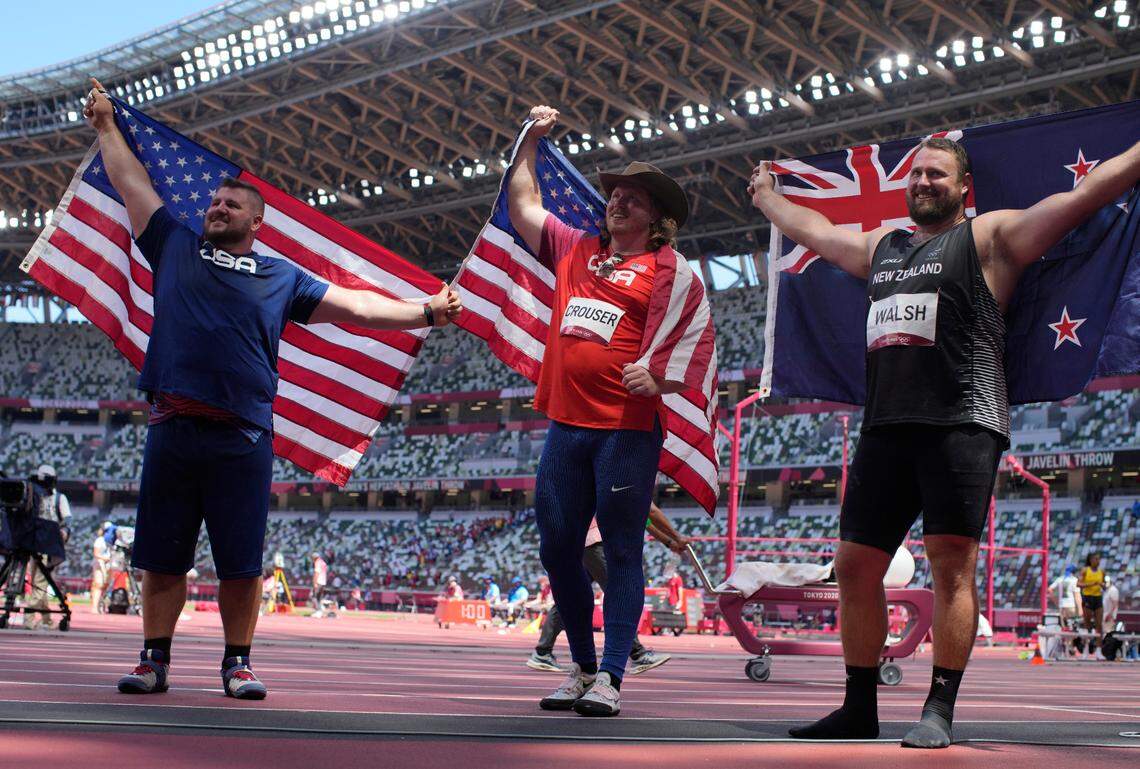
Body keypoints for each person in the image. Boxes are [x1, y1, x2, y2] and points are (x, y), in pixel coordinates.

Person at [749, 135, 1140, 748]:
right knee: (854, 567)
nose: (922, 182)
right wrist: (769, 198)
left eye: (937, 174)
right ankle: (859, 708)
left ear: (963, 188)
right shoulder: (884, 248)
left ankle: (938, 709)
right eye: (916, 175)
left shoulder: (990, 238)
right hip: (885, 427)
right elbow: (818, 231)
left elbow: (1085, 194)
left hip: (961, 423)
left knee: (950, 568)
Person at [82, 80, 462, 701]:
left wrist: (424, 311)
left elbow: (359, 307)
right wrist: (105, 127)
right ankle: (154, 658)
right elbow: (132, 185)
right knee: (162, 558)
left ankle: (238, 662)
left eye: (231, 205)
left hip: (243, 436)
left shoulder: (282, 275)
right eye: (215, 202)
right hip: (172, 427)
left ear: (257, 221)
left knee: (241, 563)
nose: (217, 208)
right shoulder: (175, 245)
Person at [509, 105, 713, 718]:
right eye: (615, 194)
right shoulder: (575, 250)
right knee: (556, 548)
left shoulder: (672, 276)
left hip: (626, 430)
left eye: (633, 199)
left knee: (622, 549)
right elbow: (522, 209)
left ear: (659, 222)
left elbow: (699, 343)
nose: (617, 203)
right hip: (566, 426)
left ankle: (613, 676)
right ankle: (581, 664)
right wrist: (527, 143)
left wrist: (661, 377)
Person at [528, 504, 689, 677]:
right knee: (619, 591)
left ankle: (543, 652)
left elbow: (645, 518)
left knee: (572, 595)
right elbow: (650, 510)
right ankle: (637, 654)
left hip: (580, 536)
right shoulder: (633, 477)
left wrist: (670, 542)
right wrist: (676, 537)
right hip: (592, 540)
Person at [25, 464, 71, 630]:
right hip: (35, 543)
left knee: (40, 582)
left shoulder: (58, 498)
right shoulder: (33, 496)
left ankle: (29, 618)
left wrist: (64, 532)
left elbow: (67, 521)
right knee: (40, 583)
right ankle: (46, 620)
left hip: (49, 546)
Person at [1078, 553, 1106, 656]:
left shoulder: (1102, 572)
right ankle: (1085, 649)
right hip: (1088, 597)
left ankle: (1099, 650)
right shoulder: (1085, 570)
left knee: (1099, 625)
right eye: (1096, 559)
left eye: (1099, 559)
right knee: (1087, 624)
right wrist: (1092, 584)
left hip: (1098, 598)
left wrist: (1103, 585)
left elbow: (1105, 585)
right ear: (1090, 560)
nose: (1098, 561)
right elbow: (1078, 584)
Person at [1048, 564, 1083, 632]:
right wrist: (1080, 609)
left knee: (1064, 628)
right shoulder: (1075, 580)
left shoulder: (1060, 579)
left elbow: (1049, 589)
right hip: (1071, 606)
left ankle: (1066, 642)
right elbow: (1077, 596)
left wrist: (1056, 601)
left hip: (1062, 607)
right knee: (1072, 628)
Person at [91, 521, 114, 614]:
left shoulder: (112, 541)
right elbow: (96, 554)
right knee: (98, 585)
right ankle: (94, 607)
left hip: (109, 565)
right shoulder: (100, 540)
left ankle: (102, 605)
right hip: (99, 565)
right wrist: (105, 558)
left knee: (105, 586)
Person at [310, 552, 329, 617]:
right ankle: (320, 610)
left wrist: (315, 583)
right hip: (323, 582)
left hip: (319, 582)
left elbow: (316, 573)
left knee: (313, 596)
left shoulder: (317, 563)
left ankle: (318, 611)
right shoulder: (323, 562)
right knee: (319, 597)